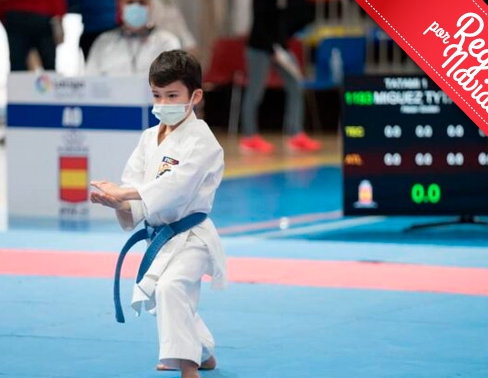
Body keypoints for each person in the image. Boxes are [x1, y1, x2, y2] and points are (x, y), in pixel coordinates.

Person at [90, 50, 226, 378]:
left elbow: (177, 186)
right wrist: (118, 202)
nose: (163, 103)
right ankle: (203, 351)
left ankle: (188, 368)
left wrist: (126, 193)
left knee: (171, 289)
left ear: (194, 96)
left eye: (172, 95)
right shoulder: (149, 138)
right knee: (161, 298)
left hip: (192, 236)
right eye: (156, 95)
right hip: (161, 236)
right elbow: (134, 184)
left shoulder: (202, 141)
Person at [240, 0, 321, 154]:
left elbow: (286, 23)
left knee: (296, 84)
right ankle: (249, 137)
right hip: (259, 48)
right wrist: (273, 50)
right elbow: (261, 25)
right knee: (255, 91)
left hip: (280, 47)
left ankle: (295, 134)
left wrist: (281, 47)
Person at [85, 0, 181, 76]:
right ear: (119, 6)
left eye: (142, 2)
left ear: (151, 6)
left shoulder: (167, 42)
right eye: (130, 2)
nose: (136, 7)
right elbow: (90, 82)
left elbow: (173, 82)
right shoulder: (103, 42)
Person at [0, 0, 67, 71]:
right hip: (42, 16)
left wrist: (3, 15)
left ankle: (18, 84)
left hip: (16, 15)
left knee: (17, 65)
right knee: (49, 65)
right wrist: (59, 15)